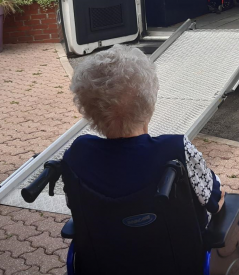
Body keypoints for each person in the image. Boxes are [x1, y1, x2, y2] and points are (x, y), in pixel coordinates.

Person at [63, 45, 225, 226]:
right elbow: (213, 198)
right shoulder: (176, 149)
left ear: (87, 109)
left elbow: (75, 206)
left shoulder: (78, 153)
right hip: (176, 251)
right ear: (149, 102)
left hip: (104, 252)